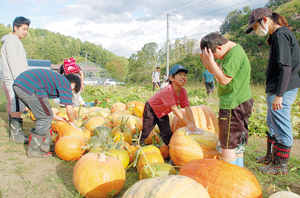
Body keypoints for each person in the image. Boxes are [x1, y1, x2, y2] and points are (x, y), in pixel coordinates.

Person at [245, 8, 300, 174]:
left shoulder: (281, 35)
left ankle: (279, 166)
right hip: (276, 89)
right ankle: (271, 157)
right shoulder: (276, 35)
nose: (256, 31)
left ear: (264, 20)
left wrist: (279, 95)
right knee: (272, 123)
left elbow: (286, 67)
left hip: (282, 89)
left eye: (255, 27)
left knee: (282, 126)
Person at [197, 32, 253, 167]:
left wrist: (210, 60)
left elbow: (223, 79)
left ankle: (230, 177)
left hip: (233, 104)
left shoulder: (234, 55)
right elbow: (212, 70)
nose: (214, 58)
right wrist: (202, 56)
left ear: (220, 48)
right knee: (237, 141)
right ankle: (239, 171)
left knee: (227, 143)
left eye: (213, 55)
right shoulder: (231, 52)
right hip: (240, 101)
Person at [13, 69, 81, 158]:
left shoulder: (57, 80)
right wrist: (72, 122)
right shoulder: (66, 84)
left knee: (47, 116)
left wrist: (55, 116)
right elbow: (69, 109)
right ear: (73, 84)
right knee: (45, 118)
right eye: (73, 90)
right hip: (30, 87)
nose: (71, 92)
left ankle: (46, 146)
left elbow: (43, 106)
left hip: (21, 84)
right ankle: (35, 150)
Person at [141, 64, 201, 155]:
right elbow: (175, 109)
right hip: (151, 109)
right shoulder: (167, 90)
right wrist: (188, 123)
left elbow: (187, 108)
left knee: (167, 132)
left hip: (162, 113)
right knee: (146, 131)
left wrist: (193, 124)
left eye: (185, 75)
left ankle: (171, 152)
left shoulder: (183, 91)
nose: (183, 77)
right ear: (172, 78)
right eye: (180, 74)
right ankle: (137, 145)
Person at [1, 16, 30, 144]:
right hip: (15, 79)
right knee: (16, 105)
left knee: (16, 104)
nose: (25, 32)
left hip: (15, 79)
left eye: (27, 30)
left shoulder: (14, 41)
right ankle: (16, 134)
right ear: (15, 27)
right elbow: (14, 62)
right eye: (23, 29)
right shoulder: (12, 41)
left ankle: (16, 131)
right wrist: (21, 81)